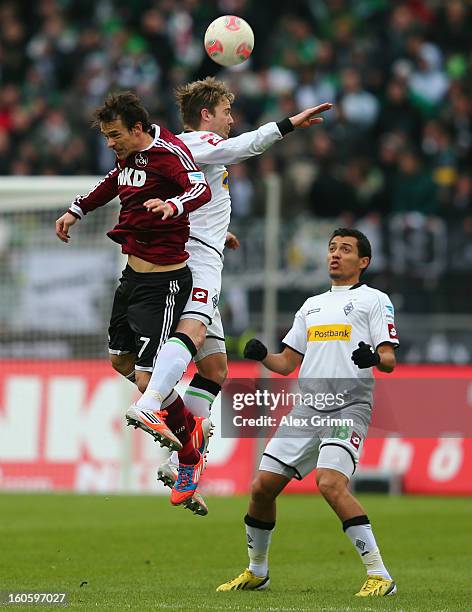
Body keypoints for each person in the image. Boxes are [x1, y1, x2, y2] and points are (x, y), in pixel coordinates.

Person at [126, 77, 331, 495]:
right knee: (191, 333)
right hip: (194, 261)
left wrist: (223, 234)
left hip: (204, 252)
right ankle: (150, 405)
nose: (231, 120)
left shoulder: (190, 153)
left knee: (216, 368)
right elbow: (243, 148)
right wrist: (288, 124)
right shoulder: (194, 142)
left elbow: (197, 197)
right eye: (225, 112)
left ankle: (181, 456)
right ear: (206, 115)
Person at [216, 228, 399, 597]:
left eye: (345, 250)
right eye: (332, 248)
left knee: (330, 483)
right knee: (261, 489)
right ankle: (257, 571)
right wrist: (262, 354)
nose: (335, 254)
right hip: (307, 408)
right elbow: (286, 364)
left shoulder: (374, 300)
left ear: (363, 262)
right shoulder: (311, 306)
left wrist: (374, 358)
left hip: (349, 407)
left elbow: (390, 359)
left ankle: (380, 575)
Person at [55, 91, 212, 514]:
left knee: (147, 383)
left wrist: (173, 204)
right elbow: (111, 182)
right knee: (119, 362)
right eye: (107, 136)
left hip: (164, 284)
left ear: (138, 128)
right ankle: (188, 427)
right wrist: (77, 210)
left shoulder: (168, 153)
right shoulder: (130, 158)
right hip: (131, 277)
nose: (111, 143)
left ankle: (189, 456)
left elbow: (200, 189)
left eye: (115, 135)